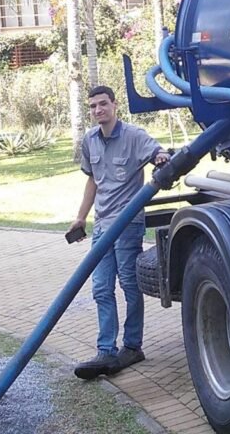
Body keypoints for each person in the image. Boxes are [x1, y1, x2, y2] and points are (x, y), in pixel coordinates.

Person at [71, 86, 169, 380]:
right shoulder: (90, 140)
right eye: (93, 106)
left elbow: (158, 152)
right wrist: (80, 217)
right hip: (102, 225)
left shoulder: (134, 136)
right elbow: (93, 181)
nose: (98, 110)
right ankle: (106, 351)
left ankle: (132, 346)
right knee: (101, 287)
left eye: (103, 104)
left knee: (129, 285)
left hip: (127, 224)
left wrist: (161, 158)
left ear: (115, 105)